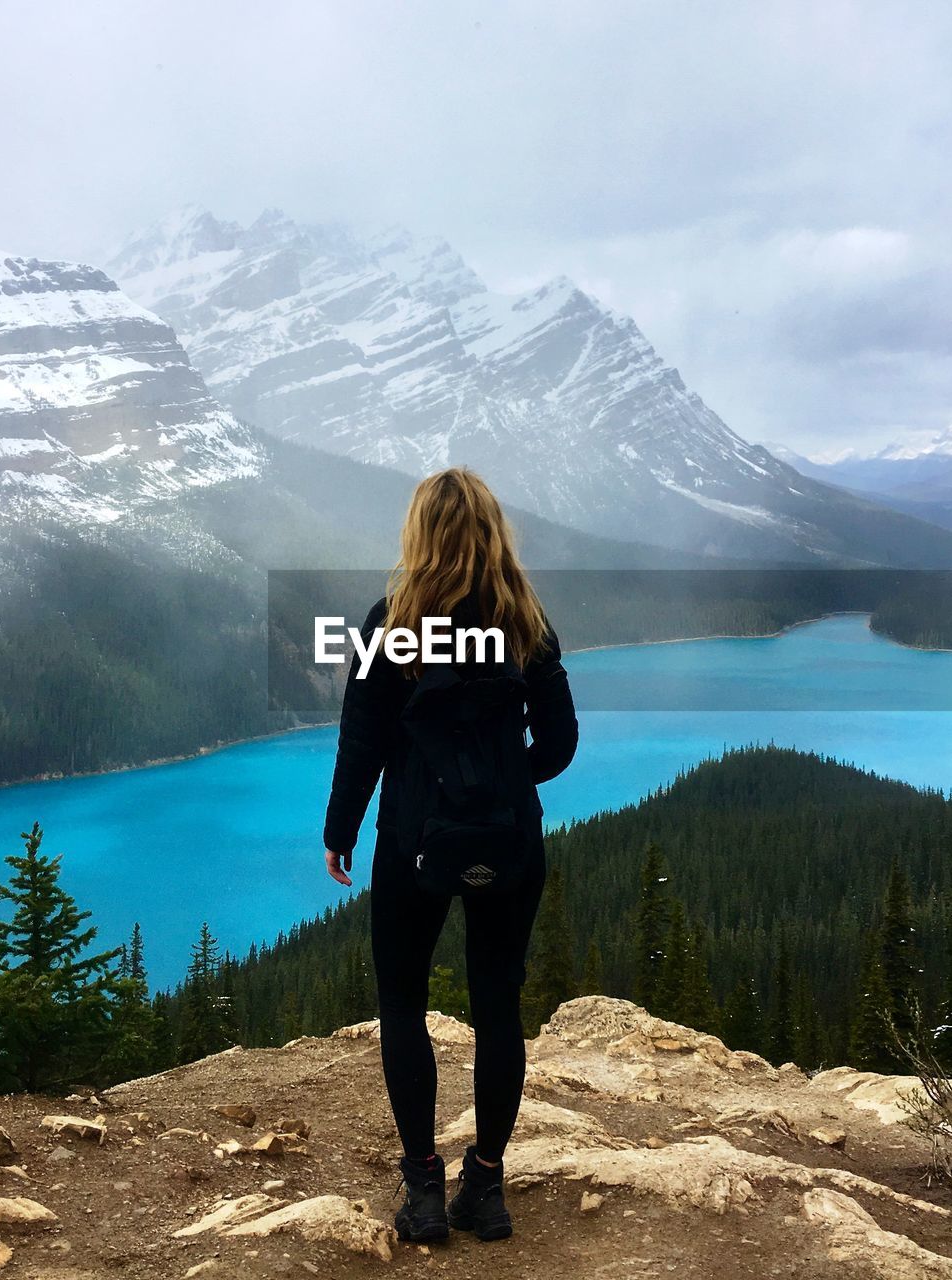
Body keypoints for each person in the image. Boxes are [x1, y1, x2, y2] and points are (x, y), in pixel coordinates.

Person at [322, 467, 578, 1244]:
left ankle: (424, 1194)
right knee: (499, 1008)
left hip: (412, 844)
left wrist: (342, 831)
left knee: (403, 1005)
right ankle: (488, 1190)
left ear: (419, 536)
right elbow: (560, 745)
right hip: (511, 843)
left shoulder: (390, 623)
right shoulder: (526, 623)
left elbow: (362, 742)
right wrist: (497, 786)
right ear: (494, 534)